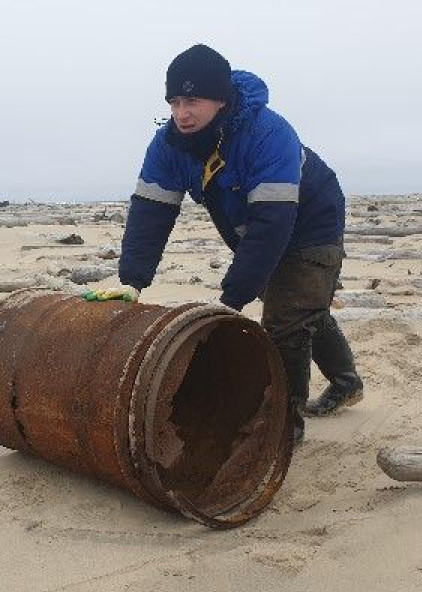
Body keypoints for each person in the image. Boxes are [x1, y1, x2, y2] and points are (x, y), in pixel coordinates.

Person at [97, 44, 364, 443]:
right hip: (251, 227)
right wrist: (132, 281)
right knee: (303, 305)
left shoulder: (268, 133)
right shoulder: (168, 144)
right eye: (174, 102)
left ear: (220, 99)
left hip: (311, 222)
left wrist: (232, 299)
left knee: (287, 321)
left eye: (192, 101)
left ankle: (283, 431)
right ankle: (347, 383)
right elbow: (151, 213)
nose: (182, 113)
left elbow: (272, 223)